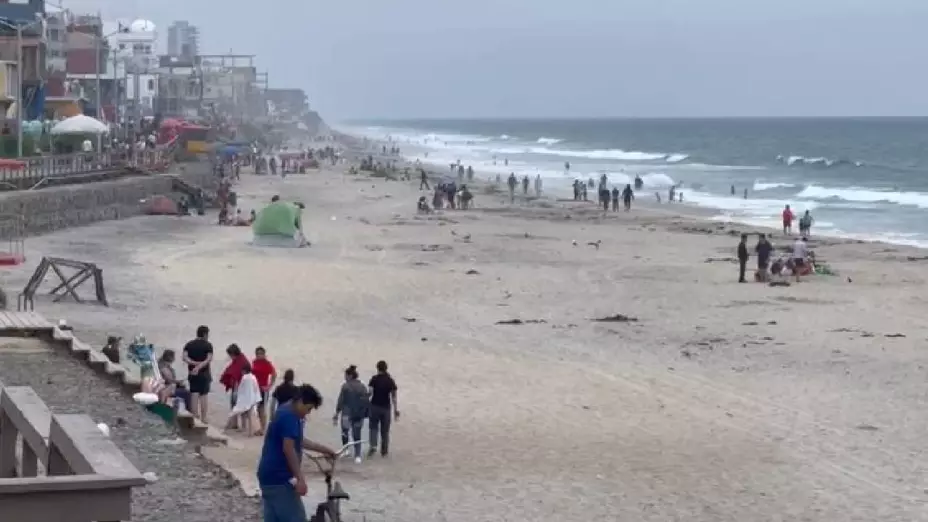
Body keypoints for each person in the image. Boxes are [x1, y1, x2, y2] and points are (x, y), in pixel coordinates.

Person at [257, 384, 337, 522]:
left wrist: (325, 450)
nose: (308, 413)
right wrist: (300, 478)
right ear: (300, 401)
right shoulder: (289, 416)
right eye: (308, 408)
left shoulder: (286, 410)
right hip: (279, 479)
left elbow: (299, 440)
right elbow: (288, 448)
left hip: (267, 476)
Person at [333, 365, 369, 463]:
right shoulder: (362, 387)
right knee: (357, 434)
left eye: (346, 375)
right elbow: (366, 401)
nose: (345, 377)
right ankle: (357, 455)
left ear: (350, 376)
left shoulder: (345, 386)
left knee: (345, 432)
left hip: (346, 414)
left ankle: (346, 450)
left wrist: (336, 413)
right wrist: (365, 413)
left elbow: (341, 401)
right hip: (358, 414)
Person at [367, 360, 399, 458]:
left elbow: (370, 392)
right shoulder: (390, 380)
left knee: (373, 428)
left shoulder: (374, 379)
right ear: (386, 368)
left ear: (377, 368)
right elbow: (394, 397)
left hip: (375, 406)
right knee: (385, 431)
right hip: (386, 408)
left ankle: (373, 446)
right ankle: (384, 451)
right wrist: (395, 410)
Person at [183, 325, 214, 421]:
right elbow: (208, 359)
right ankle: (204, 418)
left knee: (194, 394)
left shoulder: (189, 344)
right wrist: (199, 366)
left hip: (192, 373)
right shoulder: (208, 345)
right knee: (204, 395)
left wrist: (194, 364)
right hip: (204, 373)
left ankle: (194, 417)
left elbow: (185, 358)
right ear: (205, 334)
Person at [220, 344, 250, 429]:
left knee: (239, 406)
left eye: (230, 355)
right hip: (238, 387)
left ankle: (238, 425)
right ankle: (235, 424)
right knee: (235, 405)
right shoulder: (240, 359)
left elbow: (238, 375)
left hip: (240, 387)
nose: (230, 357)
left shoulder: (241, 361)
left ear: (233, 353)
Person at [228, 363, 261, 436]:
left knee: (235, 411)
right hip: (252, 399)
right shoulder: (253, 377)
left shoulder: (244, 378)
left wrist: (237, 395)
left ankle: (228, 426)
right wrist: (257, 398)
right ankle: (251, 432)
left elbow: (241, 388)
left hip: (245, 399)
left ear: (244, 371)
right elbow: (256, 388)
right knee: (251, 416)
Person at [252, 346, 278, 435]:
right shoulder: (254, 362)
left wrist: (269, 386)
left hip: (263, 389)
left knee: (262, 408)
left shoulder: (267, 364)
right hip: (254, 388)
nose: (259, 355)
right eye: (257, 354)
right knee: (256, 408)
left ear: (264, 354)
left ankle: (263, 429)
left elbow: (274, 374)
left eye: (261, 354)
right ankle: (259, 427)